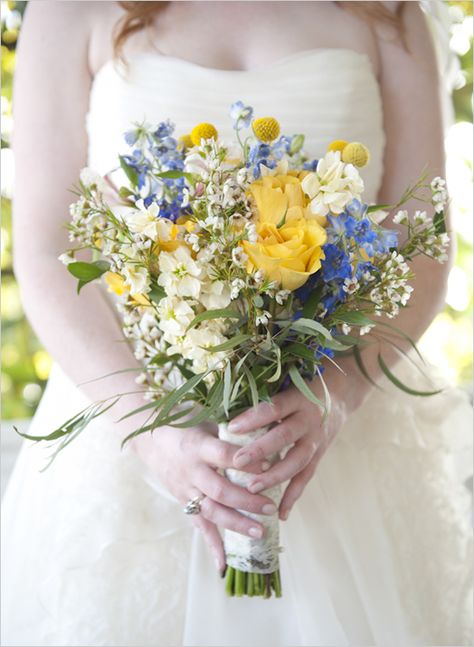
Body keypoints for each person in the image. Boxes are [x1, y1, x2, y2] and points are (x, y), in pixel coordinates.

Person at [2, 1, 472, 645]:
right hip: (132, 418)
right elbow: (47, 248)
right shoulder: (67, 11)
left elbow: (421, 244)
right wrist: (149, 432)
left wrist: (336, 397)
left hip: (344, 427)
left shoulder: (389, 11)